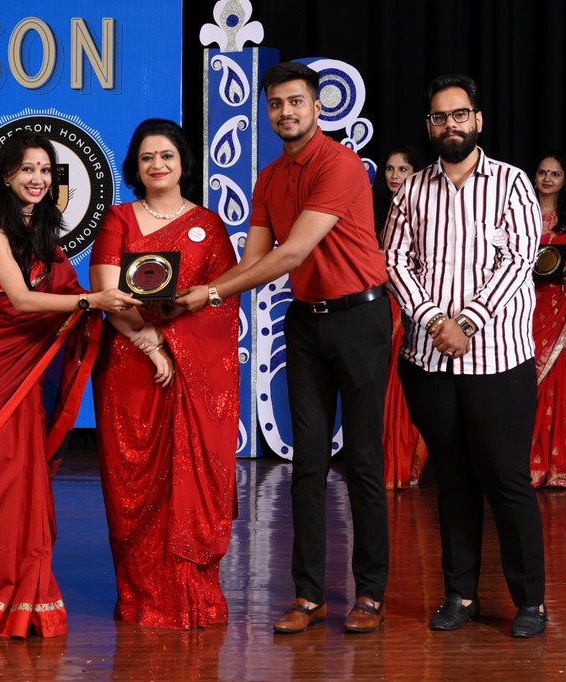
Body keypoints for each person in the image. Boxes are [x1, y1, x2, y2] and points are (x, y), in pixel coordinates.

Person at [176, 61, 391, 635]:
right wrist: (202, 296)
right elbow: (254, 261)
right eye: (276, 104)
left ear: (318, 107)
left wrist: (209, 293)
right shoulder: (269, 177)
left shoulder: (340, 164)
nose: (286, 112)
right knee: (306, 463)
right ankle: (309, 595)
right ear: (266, 111)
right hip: (306, 321)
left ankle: (370, 594)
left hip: (360, 317)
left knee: (363, 461)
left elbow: (292, 253)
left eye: (296, 102)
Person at [0, 132, 137, 637]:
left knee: (23, 471)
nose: (38, 179)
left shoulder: (43, 227)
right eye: (28, 169)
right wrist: (94, 303)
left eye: (46, 171)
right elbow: (23, 301)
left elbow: (69, 290)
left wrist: (133, 320)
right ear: (7, 174)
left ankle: (23, 592)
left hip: (27, 361)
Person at [384, 74, 547, 638]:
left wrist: (468, 322)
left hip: (498, 361)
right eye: (439, 117)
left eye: (459, 115)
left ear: (477, 120)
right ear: (429, 126)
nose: (449, 124)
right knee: (452, 480)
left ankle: (530, 602)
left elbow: (520, 259)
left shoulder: (512, 183)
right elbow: (394, 260)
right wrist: (434, 321)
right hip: (430, 362)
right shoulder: (411, 190)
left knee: (507, 479)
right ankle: (461, 594)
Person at [89, 119, 240, 630]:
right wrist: (151, 344)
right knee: (131, 483)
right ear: (135, 167)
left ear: (183, 163)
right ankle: (142, 597)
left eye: (167, 155)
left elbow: (223, 301)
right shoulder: (118, 219)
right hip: (131, 368)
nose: (158, 165)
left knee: (190, 480)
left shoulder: (209, 226)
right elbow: (107, 294)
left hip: (193, 371)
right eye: (147, 157)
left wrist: (176, 344)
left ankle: (193, 596)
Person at [374, 146, 429, 490]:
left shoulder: (428, 210)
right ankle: (384, 465)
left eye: (403, 169)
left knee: (405, 386)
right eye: (390, 169)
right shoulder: (372, 210)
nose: (395, 176)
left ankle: (405, 463)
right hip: (378, 306)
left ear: (417, 173)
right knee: (379, 387)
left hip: (417, 306)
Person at [529, 150, 566, 487]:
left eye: (554, 174)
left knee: (556, 382)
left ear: (564, 180)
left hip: (560, 308)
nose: (547, 179)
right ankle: (524, 462)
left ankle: (556, 464)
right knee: (524, 381)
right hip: (524, 307)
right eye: (543, 172)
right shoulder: (521, 216)